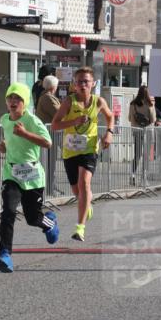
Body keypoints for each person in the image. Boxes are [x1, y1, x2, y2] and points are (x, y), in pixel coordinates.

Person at [0, 82, 60, 273]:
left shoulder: (33, 121)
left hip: (32, 176)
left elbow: (47, 143)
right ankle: (4, 254)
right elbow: (9, 137)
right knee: (8, 212)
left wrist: (25, 133)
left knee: (32, 218)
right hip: (11, 174)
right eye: (10, 98)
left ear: (25, 102)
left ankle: (49, 223)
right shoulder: (4, 119)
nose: (13, 102)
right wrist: (4, 145)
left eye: (18, 99)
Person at [52, 66, 115, 242]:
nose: (82, 85)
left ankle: (80, 228)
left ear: (93, 84)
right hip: (70, 150)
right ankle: (86, 204)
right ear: (74, 84)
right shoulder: (68, 102)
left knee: (84, 182)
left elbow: (111, 117)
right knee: (76, 190)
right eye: (79, 81)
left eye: (86, 81)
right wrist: (74, 121)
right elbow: (55, 125)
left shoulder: (98, 102)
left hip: (89, 148)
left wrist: (109, 133)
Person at [129, 85, 156, 181]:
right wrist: (152, 106)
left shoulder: (133, 104)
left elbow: (129, 118)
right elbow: (153, 119)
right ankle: (144, 176)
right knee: (146, 154)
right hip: (148, 130)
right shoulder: (149, 104)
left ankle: (132, 174)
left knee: (137, 154)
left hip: (136, 131)